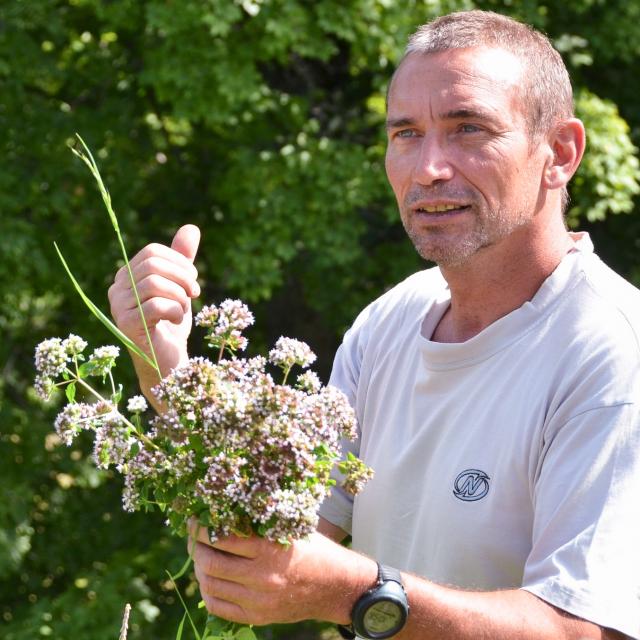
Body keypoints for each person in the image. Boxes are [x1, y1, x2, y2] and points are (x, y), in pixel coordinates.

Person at [109, 10, 640, 640]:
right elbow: (281, 539)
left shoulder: (611, 350)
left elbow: (582, 631)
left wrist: (357, 595)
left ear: (560, 152)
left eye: (469, 128)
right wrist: (165, 374)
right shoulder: (390, 321)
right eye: (406, 134)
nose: (428, 168)